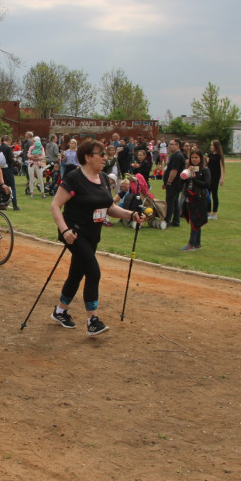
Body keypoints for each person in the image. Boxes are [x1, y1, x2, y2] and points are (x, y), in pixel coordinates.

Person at [49, 138, 145, 335]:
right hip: (75, 234)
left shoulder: (101, 178)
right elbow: (55, 206)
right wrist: (65, 230)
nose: (104, 157)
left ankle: (60, 311)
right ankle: (92, 320)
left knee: (77, 273)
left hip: (93, 234)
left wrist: (131, 215)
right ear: (87, 157)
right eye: (100, 154)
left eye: (105, 154)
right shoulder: (74, 178)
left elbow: (108, 207)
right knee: (93, 271)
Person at [179, 149, 211, 250]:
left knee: (195, 221)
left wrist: (195, 179)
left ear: (201, 158)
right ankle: (197, 243)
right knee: (195, 221)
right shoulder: (190, 169)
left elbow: (207, 184)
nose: (194, 159)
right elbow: (182, 182)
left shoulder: (204, 170)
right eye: (192, 157)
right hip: (189, 197)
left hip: (199, 198)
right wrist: (187, 174)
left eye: (196, 157)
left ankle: (191, 244)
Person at [163, 139, 185, 227]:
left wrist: (169, 182)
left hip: (174, 183)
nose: (170, 146)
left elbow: (174, 170)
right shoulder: (174, 155)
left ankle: (167, 220)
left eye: (171, 144)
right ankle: (176, 220)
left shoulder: (178, 156)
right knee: (175, 201)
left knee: (170, 201)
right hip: (173, 183)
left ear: (177, 145)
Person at [0, 135, 20, 211]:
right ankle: (15, 205)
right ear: (8, 140)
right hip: (8, 169)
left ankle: (2, 204)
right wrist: (15, 162)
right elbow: (10, 160)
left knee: (2, 187)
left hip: (0, 170)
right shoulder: (8, 148)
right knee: (12, 187)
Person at [207, 139, 225, 220]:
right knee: (207, 195)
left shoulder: (219, 156)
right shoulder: (210, 155)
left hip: (215, 177)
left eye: (212, 145)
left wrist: (222, 178)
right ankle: (208, 212)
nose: (211, 147)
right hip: (209, 177)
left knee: (214, 195)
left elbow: (222, 167)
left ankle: (214, 213)